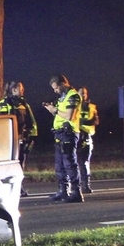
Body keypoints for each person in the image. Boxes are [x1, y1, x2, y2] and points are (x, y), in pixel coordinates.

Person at [44, 74, 83, 202]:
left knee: (69, 163)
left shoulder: (73, 96)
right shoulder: (62, 97)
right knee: (59, 165)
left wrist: (54, 110)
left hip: (69, 133)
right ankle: (63, 191)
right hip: (59, 133)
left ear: (62, 83)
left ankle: (76, 192)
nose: (55, 91)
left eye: (56, 88)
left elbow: (69, 116)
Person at [0, 81, 38, 195]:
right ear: (14, 90)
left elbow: (31, 121)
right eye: (21, 88)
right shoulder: (4, 103)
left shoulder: (24, 104)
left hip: (22, 138)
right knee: (9, 164)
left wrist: (31, 136)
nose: (23, 90)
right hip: (9, 139)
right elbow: (2, 122)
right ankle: (7, 187)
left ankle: (18, 187)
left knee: (20, 163)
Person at [77, 86, 99, 194]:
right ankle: (77, 185)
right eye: (81, 93)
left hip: (87, 137)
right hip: (76, 136)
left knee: (85, 162)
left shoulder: (92, 107)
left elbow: (95, 121)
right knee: (76, 163)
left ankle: (86, 185)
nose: (83, 95)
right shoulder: (74, 106)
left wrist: (81, 122)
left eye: (85, 93)